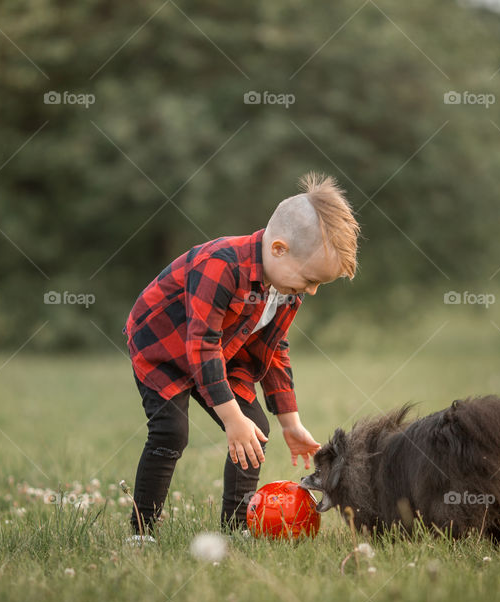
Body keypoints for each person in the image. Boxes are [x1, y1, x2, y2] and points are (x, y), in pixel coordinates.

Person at [122, 172, 360, 540]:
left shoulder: (285, 287)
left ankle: (235, 528)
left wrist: (290, 422)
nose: (311, 291)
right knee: (170, 432)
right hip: (163, 348)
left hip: (223, 352)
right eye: (310, 279)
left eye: (318, 285)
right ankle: (142, 531)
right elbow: (200, 345)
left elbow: (274, 349)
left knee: (256, 433)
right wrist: (231, 417)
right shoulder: (221, 264)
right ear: (278, 249)